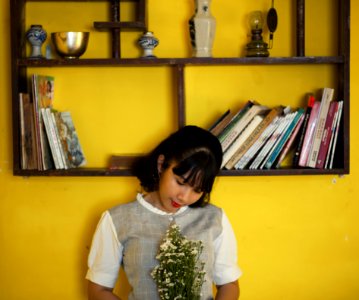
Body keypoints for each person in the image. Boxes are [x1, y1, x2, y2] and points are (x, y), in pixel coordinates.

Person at [86, 125, 242, 300]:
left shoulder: (214, 219)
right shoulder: (117, 220)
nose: (184, 196)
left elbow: (229, 284)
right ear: (161, 165)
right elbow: (98, 289)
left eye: (197, 190)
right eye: (180, 182)